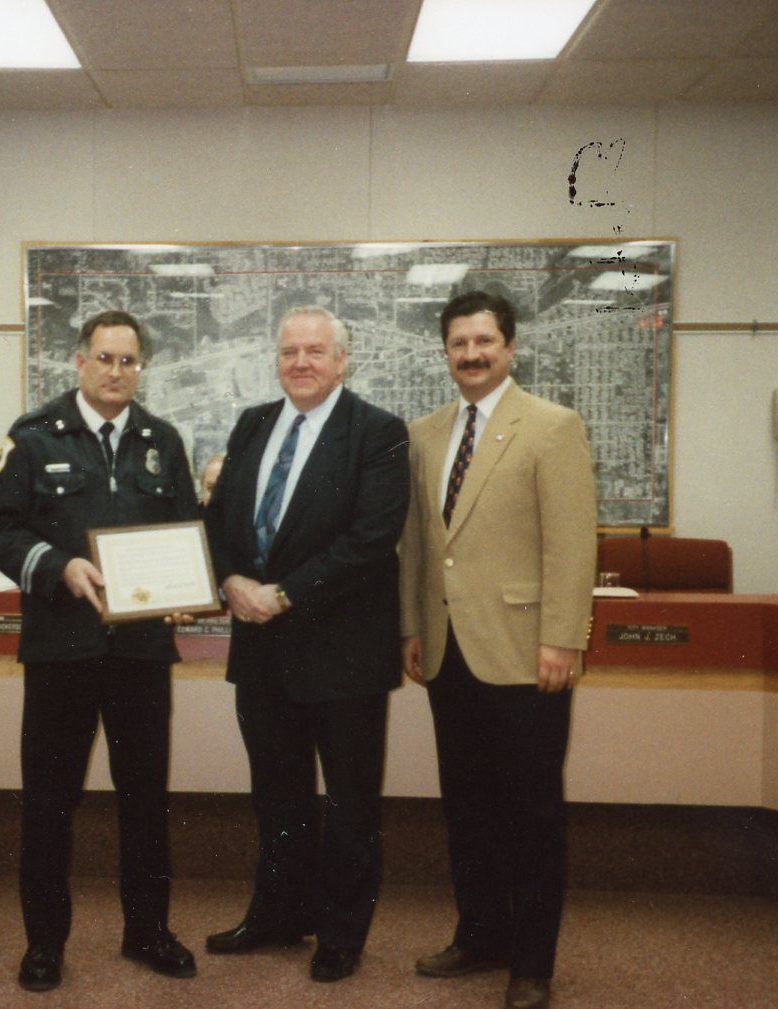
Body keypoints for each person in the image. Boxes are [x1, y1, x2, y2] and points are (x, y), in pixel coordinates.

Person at [0, 309, 200, 993]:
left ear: (141, 367)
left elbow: (185, 529)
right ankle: (44, 944)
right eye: (104, 358)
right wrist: (58, 566)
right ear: (78, 361)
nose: (116, 371)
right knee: (49, 804)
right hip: (61, 650)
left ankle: (148, 931)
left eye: (128, 360)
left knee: (145, 801)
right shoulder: (33, 435)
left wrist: (185, 588)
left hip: (140, 650)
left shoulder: (162, 439)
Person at [398, 291, 597, 1009]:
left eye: (484, 341)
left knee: (532, 814)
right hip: (448, 652)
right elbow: (419, 543)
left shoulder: (551, 426)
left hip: (524, 653)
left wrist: (561, 638)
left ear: (510, 348)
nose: (472, 354)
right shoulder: (425, 434)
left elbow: (571, 544)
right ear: (445, 353)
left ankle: (531, 963)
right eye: (459, 343)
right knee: (467, 806)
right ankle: (479, 934)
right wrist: (411, 626)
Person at [203, 305, 410, 982]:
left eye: (315, 351)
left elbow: (369, 540)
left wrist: (284, 594)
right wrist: (230, 577)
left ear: (342, 359)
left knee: (350, 803)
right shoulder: (252, 423)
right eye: (289, 351)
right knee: (276, 795)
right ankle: (277, 913)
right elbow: (220, 519)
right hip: (261, 650)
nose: (300, 362)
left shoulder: (377, 432)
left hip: (343, 651)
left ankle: (342, 933)